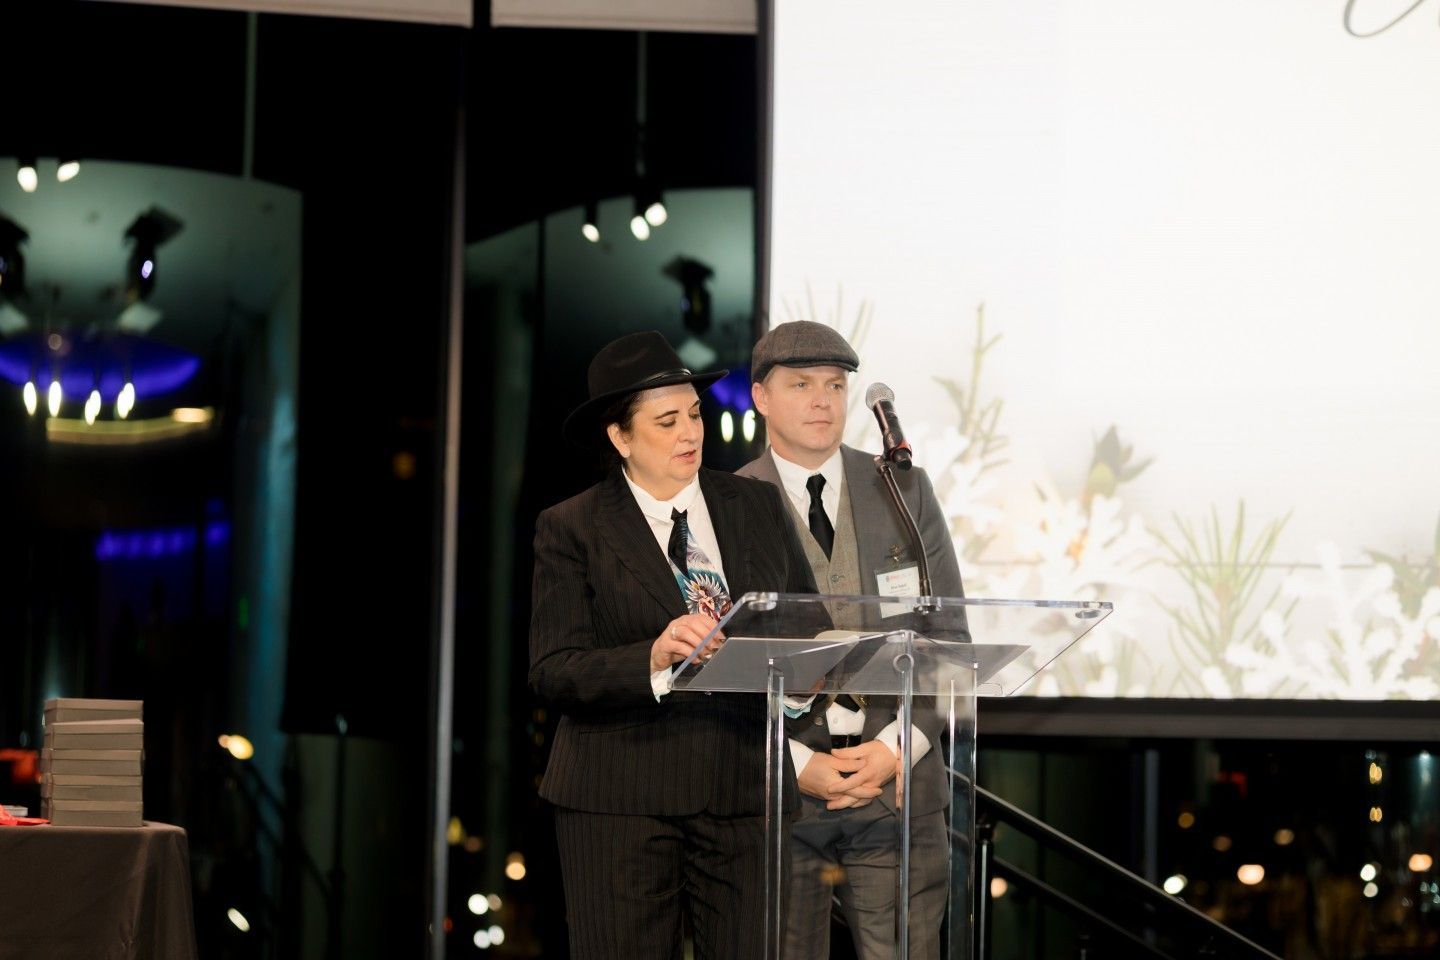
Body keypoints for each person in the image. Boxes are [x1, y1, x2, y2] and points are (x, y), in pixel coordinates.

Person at [529, 330, 818, 960]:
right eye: (667, 421)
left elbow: (805, 621)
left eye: (694, 414)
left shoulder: (758, 504)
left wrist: (810, 675)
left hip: (744, 793)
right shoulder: (572, 527)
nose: (690, 433)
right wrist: (653, 658)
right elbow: (553, 671)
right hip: (619, 799)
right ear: (620, 437)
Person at [737, 320, 964, 960]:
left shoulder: (901, 487)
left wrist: (899, 748)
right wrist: (797, 764)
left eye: (835, 385)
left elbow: (950, 638)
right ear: (760, 397)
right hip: (781, 796)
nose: (822, 400)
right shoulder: (728, 502)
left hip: (898, 790)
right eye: (801, 384)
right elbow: (719, 661)